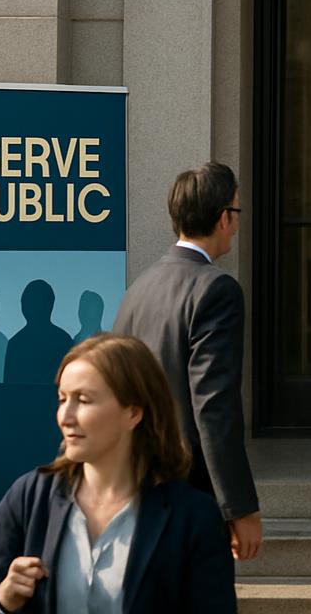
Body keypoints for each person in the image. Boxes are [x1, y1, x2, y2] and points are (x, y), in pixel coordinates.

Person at [0, 333, 235, 613]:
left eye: (83, 400)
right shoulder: (30, 497)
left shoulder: (193, 517)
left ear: (133, 413)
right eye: (62, 399)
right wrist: (1, 599)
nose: (65, 416)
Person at [114, 162, 261, 561]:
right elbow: (214, 406)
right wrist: (239, 507)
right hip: (188, 488)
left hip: (133, 479)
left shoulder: (138, 288)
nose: (237, 223)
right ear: (224, 218)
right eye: (237, 211)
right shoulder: (218, 290)